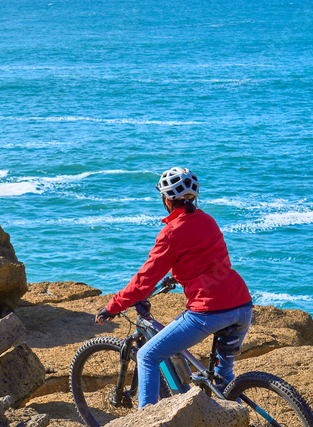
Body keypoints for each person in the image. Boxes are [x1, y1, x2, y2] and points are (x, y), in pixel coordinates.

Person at [94, 167, 253, 408]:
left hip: (208, 311)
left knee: (147, 356)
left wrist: (113, 306)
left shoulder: (171, 232)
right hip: (242, 305)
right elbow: (210, 261)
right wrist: (177, 278)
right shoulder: (207, 220)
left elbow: (143, 282)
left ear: (167, 200)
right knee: (223, 380)